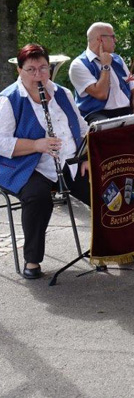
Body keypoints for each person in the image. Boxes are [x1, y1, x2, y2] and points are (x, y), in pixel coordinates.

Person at [0, 44, 90, 279]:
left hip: (70, 162)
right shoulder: (9, 100)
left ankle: (116, 246)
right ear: (19, 71)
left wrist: (85, 156)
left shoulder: (63, 93)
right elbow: (1, 142)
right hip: (26, 166)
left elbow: (81, 127)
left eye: (42, 68)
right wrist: (36, 145)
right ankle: (32, 260)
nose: (38, 74)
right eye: (31, 69)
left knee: (104, 186)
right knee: (38, 197)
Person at [69, 22, 134, 123]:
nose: (115, 40)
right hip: (97, 114)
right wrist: (105, 66)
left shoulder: (118, 59)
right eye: (112, 37)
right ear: (100, 39)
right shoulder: (78, 65)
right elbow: (101, 94)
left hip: (126, 110)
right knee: (106, 128)